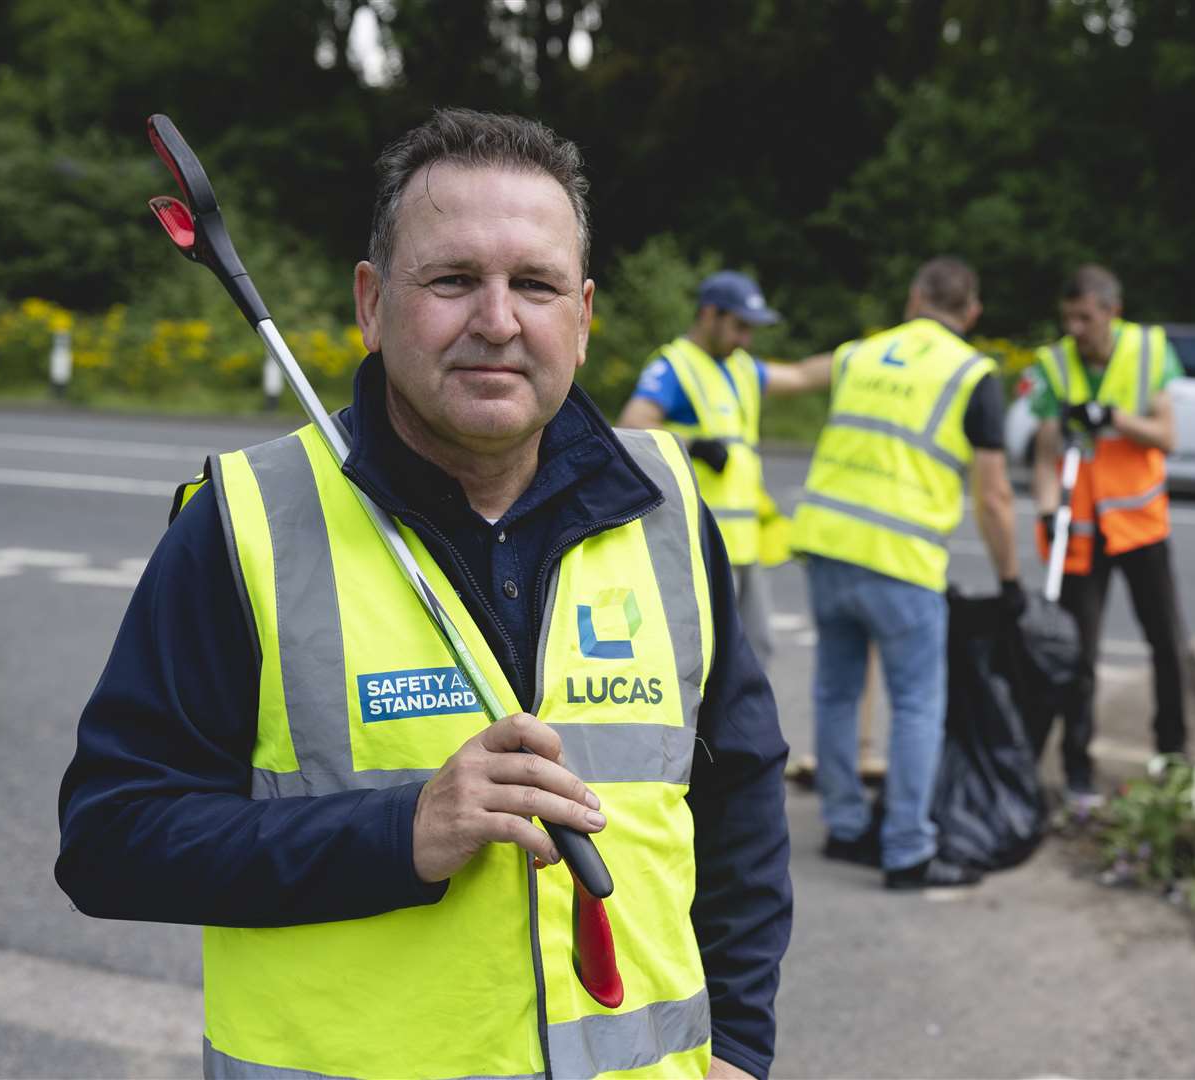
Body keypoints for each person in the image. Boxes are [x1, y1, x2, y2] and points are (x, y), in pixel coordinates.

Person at [55, 108, 791, 1080]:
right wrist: (396, 834)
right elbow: (111, 841)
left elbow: (738, 802)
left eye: (535, 283)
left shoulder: (664, 507)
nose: (497, 321)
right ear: (371, 302)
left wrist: (739, 1046)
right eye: (452, 280)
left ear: (583, 314)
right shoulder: (243, 526)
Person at [789, 255, 1022, 890]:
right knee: (917, 703)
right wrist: (1010, 581)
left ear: (915, 296)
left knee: (837, 692)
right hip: (903, 563)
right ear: (971, 313)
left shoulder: (864, 355)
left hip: (829, 546)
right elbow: (995, 497)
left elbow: (796, 376)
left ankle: (845, 826)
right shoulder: (973, 373)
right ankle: (908, 851)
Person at [1030, 264, 1188, 808]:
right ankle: (1077, 767)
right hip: (1081, 529)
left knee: (1167, 644)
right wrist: (1049, 508)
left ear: (1111, 312)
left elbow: (1167, 437)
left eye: (1086, 317)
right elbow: (1047, 451)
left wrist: (1115, 417)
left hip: (1140, 524)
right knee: (1080, 654)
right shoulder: (1053, 364)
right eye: (1068, 317)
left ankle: (1174, 756)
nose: (1075, 328)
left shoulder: (1147, 352)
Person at [617, 272, 831, 662]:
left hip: (744, 546)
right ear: (709, 314)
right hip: (701, 544)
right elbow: (633, 424)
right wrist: (693, 446)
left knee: (757, 652)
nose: (746, 338)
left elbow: (802, 375)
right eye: (740, 326)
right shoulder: (675, 366)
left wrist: (861, 358)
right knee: (708, 661)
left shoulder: (741, 367)